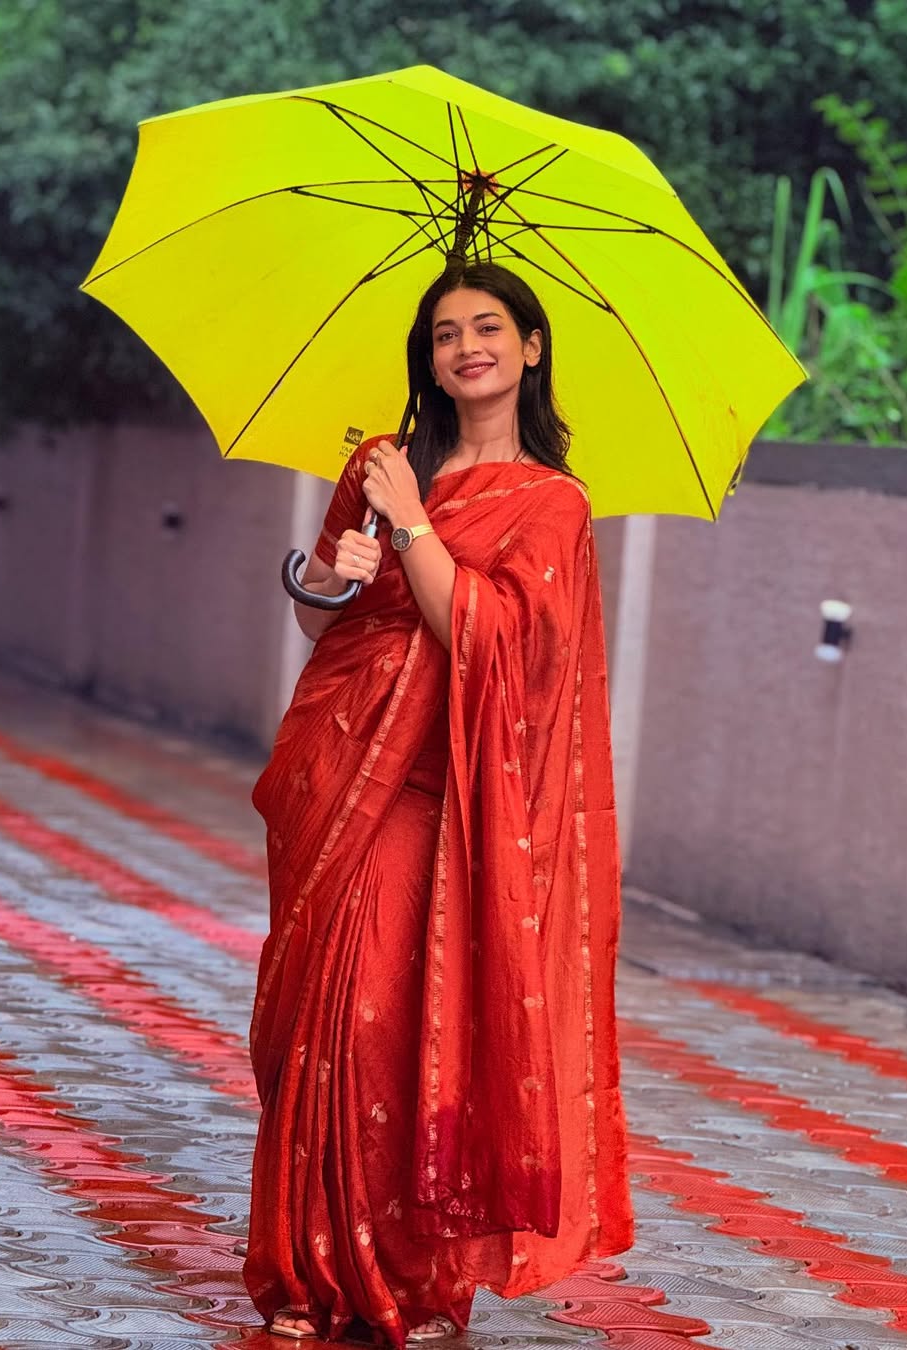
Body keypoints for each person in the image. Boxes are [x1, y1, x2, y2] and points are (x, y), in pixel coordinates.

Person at [244, 262, 633, 1344]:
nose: (468, 347)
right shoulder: (382, 463)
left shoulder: (551, 503)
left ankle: (408, 1282)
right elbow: (323, 618)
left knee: (392, 1027)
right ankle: (308, 1274)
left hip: (440, 795)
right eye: (447, 332)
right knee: (316, 1026)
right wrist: (338, 571)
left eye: (488, 327)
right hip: (339, 768)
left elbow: (485, 638)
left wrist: (414, 529)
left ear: (532, 348)